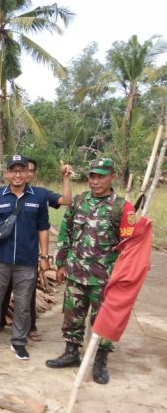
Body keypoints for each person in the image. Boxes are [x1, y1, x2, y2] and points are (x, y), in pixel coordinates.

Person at [46, 158, 135, 384]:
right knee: (72, 316)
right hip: (76, 273)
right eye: (92, 176)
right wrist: (61, 263)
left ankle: (100, 360)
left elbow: (130, 245)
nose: (95, 181)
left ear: (112, 177)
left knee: (103, 320)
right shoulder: (78, 202)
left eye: (100, 176)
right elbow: (65, 232)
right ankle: (71, 353)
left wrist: (124, 278)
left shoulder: (121, 207)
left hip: (104, 278)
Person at [0, 153, 72, 340]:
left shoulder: (40, 196)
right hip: (0, 258)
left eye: (22, 170)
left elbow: (45, 226)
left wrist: (44, 257)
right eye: (13, 171)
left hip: (26, 260)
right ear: (7, 173)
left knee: (24, 303)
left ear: (28, 173)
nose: (18, 175)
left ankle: (19, 339)